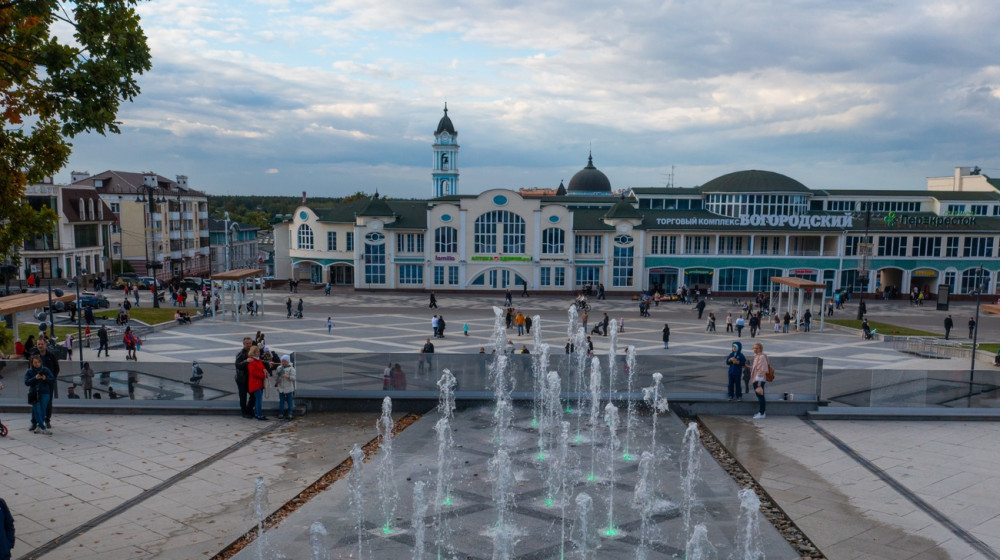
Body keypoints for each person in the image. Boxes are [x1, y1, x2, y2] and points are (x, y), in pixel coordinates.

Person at [30, 338, 60, 427]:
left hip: (48, 384)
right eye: (38, 344)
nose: (40, 346)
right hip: (36, 383)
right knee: (35, 402)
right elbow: (30, 369)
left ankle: (47, 420)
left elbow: (56, 369)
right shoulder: (34, 356)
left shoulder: (51, 355)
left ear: (45, 344)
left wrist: (51, 379)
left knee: (48, 402)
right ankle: (34, 422)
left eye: (41, 344)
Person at [25, 354, 54, 434]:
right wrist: (35, 378)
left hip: (45, 392)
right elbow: (26, 382)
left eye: (38, 362)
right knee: (37, 410)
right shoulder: (29, 371)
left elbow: (52, 379)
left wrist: (45, 378)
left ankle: (39, 426)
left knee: (43, 410)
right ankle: (43, 427)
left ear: (41, 362)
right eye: (35, 362)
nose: (37, 364)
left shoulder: (45, 369)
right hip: (34, 393)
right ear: (32, 363)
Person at [235, 337, 255, 419]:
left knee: (254, 396)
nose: (248, 345)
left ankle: (249, 409)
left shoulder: (253, 352)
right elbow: (237, 365)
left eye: (250, 343)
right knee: (243, 396)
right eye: (247, 343)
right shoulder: (241, 353)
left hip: (251, 379)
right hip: (242, 379)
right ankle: (244, 412)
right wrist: (246, 361)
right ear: (243, 344)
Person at [749, 342, 771, 419]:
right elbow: (756, 367)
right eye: (754, 348)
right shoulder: (757, 356)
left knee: (760, 397)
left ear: (760, 349)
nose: (755, 349)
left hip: (759, 380)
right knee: (760, 396)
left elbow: (762, 369)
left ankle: (762, 413)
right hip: (757, 379)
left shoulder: (761, 357)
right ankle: (761, 412)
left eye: (757, 348)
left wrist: (759, 382)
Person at [247, 345, 268, 420]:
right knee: (259, 400)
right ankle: (259, 414)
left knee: (258, 399)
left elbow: (262, 369)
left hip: (258, 383)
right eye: (256, 352)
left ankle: (257, 413)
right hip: (256, 383)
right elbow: (253, 373)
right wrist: (263, 375)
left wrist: (264, 372)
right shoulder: (252, 361)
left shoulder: (257, 360)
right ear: (253, 353)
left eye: (258, 352)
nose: (258, 353)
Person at [275, 355, 296, 419]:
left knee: (290, 401)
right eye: (282, 361)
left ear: (288, 362)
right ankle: (281, 413)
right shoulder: (279, 368)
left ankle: (290, 413)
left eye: (285, 361)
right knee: (281, 401)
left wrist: (286, 376)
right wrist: (277, 381)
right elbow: (277, 376)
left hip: (288, 388)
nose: (283, 362)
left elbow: (293, 378)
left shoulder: (291, 369)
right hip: (281, 388)